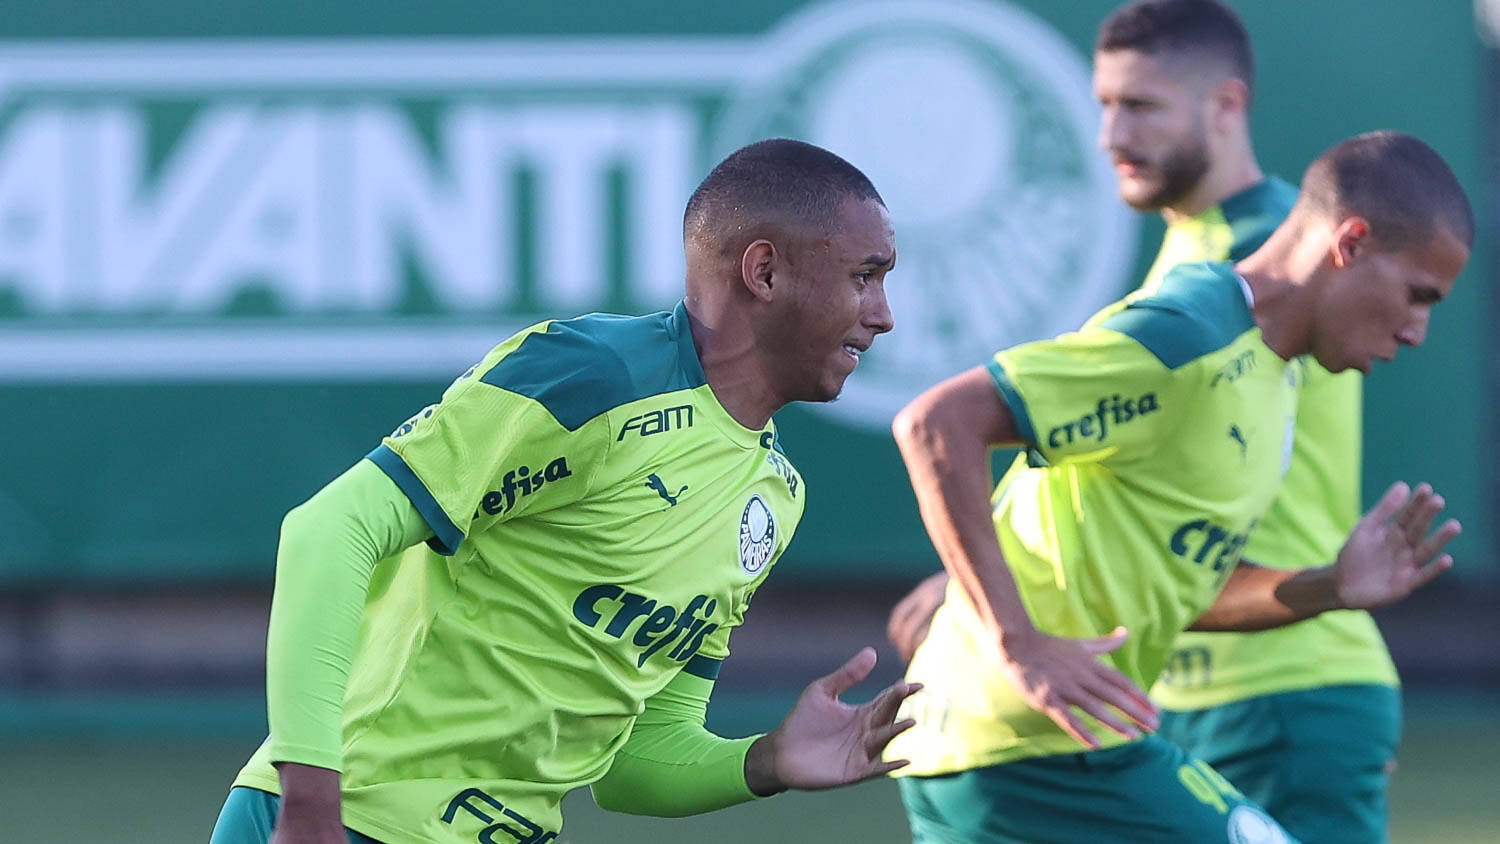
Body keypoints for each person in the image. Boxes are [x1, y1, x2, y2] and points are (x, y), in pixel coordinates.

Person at [209, 138, 919, 844]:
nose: (883, 314)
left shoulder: (775, 496)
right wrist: (307, 802)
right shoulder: (592, 375)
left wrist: (765, 760)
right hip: (347, 821)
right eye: (865, 276)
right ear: (763, 271)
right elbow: (329, 530)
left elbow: (636, 766)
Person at [888, 3, 1407, 840]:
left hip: (1280, 679)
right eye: (1103, 104)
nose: (1110, 133)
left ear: (1226, 106)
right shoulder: (1199, 268)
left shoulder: (1271, 263)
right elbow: (1135, 489)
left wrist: (991, 605)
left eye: (1142, 105)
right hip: (1158, 675)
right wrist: (984, 594)